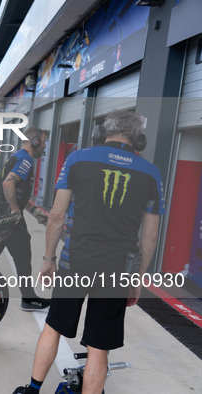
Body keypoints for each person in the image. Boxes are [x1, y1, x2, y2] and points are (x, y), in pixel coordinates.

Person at [13, 110, 165, 394]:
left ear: (101, 133)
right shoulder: (151, 173)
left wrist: (48, 259)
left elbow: (57, 215)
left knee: (54, 327)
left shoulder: (78, 159)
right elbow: (151, 234)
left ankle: (31, 389)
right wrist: (137, 280)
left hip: (75, 262)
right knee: (99, 347)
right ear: (137, 139)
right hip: (118, 270)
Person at [0, 126, 51, 311]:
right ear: (35, 141)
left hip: (0, 214)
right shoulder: (25, 159)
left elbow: (18, 192)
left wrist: (35, 211)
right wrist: (14, 211)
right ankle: (28, 298)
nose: (44, 146)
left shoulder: (17, 156)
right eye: (43, 142)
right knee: (22, 255)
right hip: (8, 216)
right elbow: (8, 183)